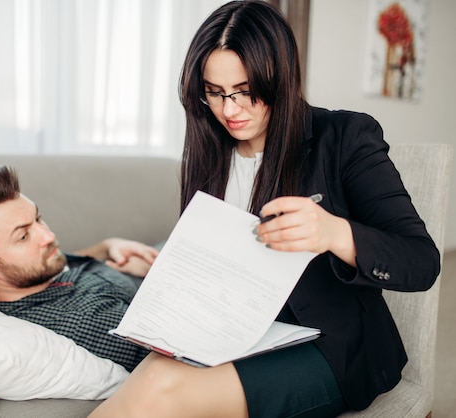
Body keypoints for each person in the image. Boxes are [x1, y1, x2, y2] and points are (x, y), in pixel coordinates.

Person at [88, 1, 440, 417]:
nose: (230, 110)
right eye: (214, 93)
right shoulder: (209, 154)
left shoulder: (344, 137)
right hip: (233, 330)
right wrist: (169, 266)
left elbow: (422, 262)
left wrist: (334, 233)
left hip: (326, 345)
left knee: (163, 390)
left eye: (245, 91)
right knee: (151, 375)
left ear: (280, 77)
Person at [0, 164, 160, 372]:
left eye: (38, 219)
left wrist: (108, 246)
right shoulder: (85, 319)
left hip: (147, 261)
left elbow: (66, 259)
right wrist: (157, 276)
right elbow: (174, 348)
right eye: (23, 236)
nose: (48, 235)